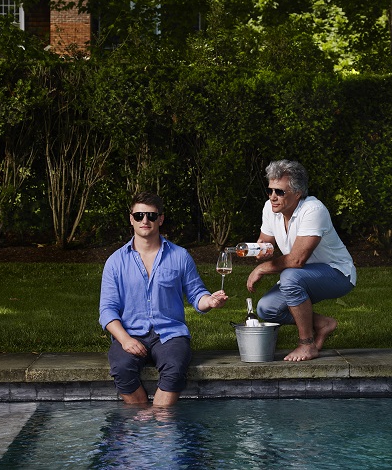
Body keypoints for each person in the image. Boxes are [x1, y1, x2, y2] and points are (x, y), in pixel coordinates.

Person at [99, 192, 228, 407]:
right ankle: (140, 421)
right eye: (139, 215)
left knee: (175, 367)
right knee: (121, 368)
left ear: (161, 219)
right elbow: (107, 310)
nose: (145, 221)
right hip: (130, 333)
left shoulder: (180, 256)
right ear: (131, 219)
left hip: (170, 333)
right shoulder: (115, 262)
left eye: (151, 215)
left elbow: (197, 294)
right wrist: (125, 340)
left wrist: (210, 301)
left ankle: (157, 423)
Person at [246, 160, 356, 362]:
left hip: (338, 274)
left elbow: (296, 260)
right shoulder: (270, 209)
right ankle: (323, 323)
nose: (272, 197)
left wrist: (262, 268)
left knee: (290, 275)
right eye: (269, 191)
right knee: (266, 308)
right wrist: (260, 250)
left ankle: (307, 345)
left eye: (279, 192)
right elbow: (266, 242)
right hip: (302, 274)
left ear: (297, 193)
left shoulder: (314, 210)